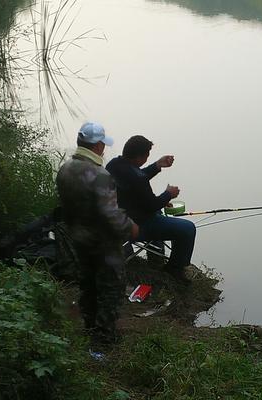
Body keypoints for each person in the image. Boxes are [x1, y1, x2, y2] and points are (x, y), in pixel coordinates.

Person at [56, 122, 138, 344]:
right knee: (111, 288)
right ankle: (104, 338)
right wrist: (130, 226)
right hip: (103, 243)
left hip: (78, 239)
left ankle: (90, 326)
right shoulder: (100, 174)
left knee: (88, 284)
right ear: (98, 145)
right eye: (103, 144)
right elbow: (109, 213)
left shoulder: (65, 169)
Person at [106, 135, 196, 282]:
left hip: (116, 218)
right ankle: (174, 268)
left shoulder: (114, 164)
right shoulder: (137, 177)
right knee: (187, 229)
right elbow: (151, 204)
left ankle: (155, 256)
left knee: (158, 211)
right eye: (147, 155)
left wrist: (157, 165)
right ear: (141, 156)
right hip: (136, 225)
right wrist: (168, 194)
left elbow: (135, 178)